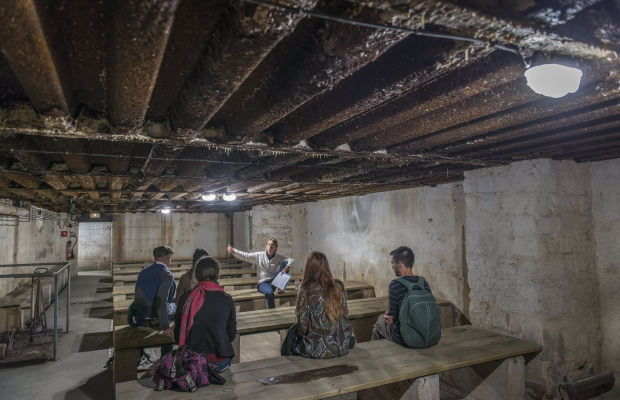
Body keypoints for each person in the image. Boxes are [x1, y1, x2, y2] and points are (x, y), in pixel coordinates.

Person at [174, 256, 236, 373]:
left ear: (196, 276)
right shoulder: (227, 299)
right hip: (219, 362)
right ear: (217, 275)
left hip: (192, 361)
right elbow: (231, 334)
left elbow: (178, 335)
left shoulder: (186, 298)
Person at [293, 251, 354, 359]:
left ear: (309, 268)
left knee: (291, 342)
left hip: (318, 350)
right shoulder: (339, 286)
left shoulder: (306, 290)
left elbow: (302, 327)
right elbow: (346, 317)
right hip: (342, 345)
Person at [372, 246, 434, 345]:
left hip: (406, 337)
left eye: (393, 263)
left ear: (400, 265)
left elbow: (392, 318)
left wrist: (389, 316)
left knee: (380, 322)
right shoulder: (423, 282)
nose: (392, 267)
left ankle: (376, 355)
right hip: (428, 335)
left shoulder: (395, 284)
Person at [127, 245, 176, 356]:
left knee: (170, 307)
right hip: (152, 317)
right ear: (168, 258)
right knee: (179, 310)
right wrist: (166, 327)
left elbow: (138, 296)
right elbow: (161, 301)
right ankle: (166, 359)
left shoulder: (144, 271)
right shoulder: (167, 274)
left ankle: (141, 355)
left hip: (139, 315)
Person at [227, 238, 294, 309]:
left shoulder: (278, 257)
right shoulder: (259, 255)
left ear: (276, 248)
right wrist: (234, 251)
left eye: (273, 245)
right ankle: (272, 313)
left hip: (274, 282)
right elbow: (246, 256)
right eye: (269, 244)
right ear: (266, 246)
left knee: (286, 263)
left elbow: (291, 260)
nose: (270, 247)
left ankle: (279, 287)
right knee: (270, 293)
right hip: (263, 283)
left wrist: (286, 267)